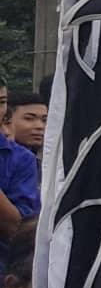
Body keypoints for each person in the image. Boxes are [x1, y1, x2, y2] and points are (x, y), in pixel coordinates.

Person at [0, 83, 46, 244]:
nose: (39, 126)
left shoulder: (23, 159)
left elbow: (19, 228)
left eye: (2, 102)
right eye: (29, 118)